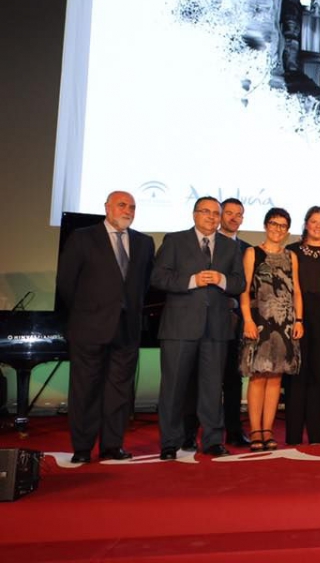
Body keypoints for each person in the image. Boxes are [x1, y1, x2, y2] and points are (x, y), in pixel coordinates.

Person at [57, 191, 155, 463]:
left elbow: (144, 284)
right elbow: (66, 282)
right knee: (85, 390)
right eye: (122, 205)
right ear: (107, 208)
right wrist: (89, 311)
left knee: (120, 391)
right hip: (89, 328)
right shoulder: (83, 237)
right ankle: (83, 448)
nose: (128, 210)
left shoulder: (144, 243)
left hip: (127, 329)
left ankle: (113, 445)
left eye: (132, 207)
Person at [152, 196, 246, 459]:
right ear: (194, 214)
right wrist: (192, 280)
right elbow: (158, 277)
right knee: (173, 388)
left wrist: (223, 279)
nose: (212, 217)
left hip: (216, 327)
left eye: (216, 213)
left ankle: (213, 440)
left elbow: (239, 282)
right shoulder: (175, 240)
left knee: (213, 387)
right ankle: (170, 443)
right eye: (206, 212)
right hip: (179, 327)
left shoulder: (229, 247)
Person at [183, 197, 251, 450]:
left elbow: (246, 286)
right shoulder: (203, 244)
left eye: (239, 214)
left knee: (232, 380)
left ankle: (233, 431)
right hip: (201, 321)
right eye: (229, 213)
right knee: (195, 379)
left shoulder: (247, 248)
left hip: (234, 325)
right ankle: (189, 433)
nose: (233, 218)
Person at [239, 208, 303, 451]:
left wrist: (299, 320)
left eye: (283, 225)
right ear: (266, 225)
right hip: (259, 321)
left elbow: (296, 290)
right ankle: (255, 431)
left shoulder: (291, 256)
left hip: (285, 322)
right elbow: (244, 290)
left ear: (287, 231)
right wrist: (247, 320)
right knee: (258, 376)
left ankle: (268, 430)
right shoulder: (252, 253)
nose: (278, 229)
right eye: (274, 224)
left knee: (276, 377)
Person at [285, 206, 320, 445]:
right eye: (313, 221)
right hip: (297, 318)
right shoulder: (291, 250)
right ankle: (294, 435)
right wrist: (296, 318)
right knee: (297, 376)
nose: (317, 226)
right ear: (305, 224)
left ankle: (317, 435)